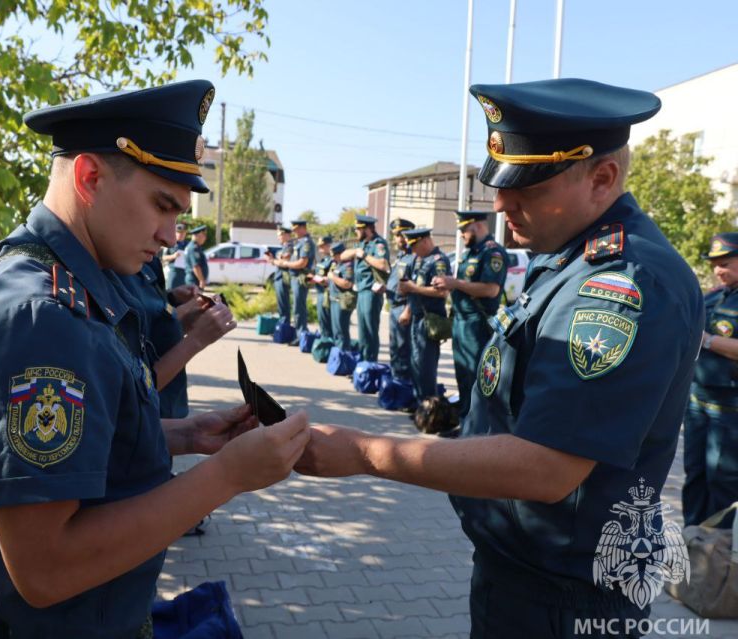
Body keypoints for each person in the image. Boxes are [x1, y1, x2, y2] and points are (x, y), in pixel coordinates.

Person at [297, 78, 703, 639]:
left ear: (602, 178)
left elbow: (548, 466)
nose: (502, 203)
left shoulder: (622, 281)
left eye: (528, 186)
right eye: (500, 183)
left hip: (562, 599)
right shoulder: (565, 259)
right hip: (524, 577)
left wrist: (365, 452)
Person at [0, 80, 310, 637]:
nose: (169, 235)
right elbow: (45, 568)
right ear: (90, 177)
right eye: (162, 205)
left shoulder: (79, 285)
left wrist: (186, 435)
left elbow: (88, 449)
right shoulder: (41, 319)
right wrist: (226, 476)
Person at [122, 255, 235, 419]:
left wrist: (175, 308)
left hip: (169, 409)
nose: (170, 240)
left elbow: (152, 332)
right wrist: (196, 339)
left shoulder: (147, 261)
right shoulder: (113, 269)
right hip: (145, 420)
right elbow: (133, 392)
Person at [683, 231, 738, 528]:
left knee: (724, 483)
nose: (718, 269)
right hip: (697, 400)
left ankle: (720, 552)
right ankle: (693, 540)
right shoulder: (714, 295)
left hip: (730, 410)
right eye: (715, 263)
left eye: (726, 262)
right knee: (695, 476)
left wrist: (707, 341)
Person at [432, 211, 508, 422]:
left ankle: (477, 426)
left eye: (464, 230)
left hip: (477, 323)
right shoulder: (471, 252)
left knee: (476, 378)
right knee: (463, 375)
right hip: (461, 321)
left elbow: (491, 290)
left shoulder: (493, 253)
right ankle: (465, 422)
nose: (462, 235)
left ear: (477, 226)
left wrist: (454, 283)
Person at [397, 227, 450, 404]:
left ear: (426, 241)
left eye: (415, 245)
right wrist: (408, 308)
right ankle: (420, 403)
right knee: (416, 364)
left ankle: (429, 407)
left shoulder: (438, 261)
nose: (412, 250)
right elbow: (413, 291)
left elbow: (442, 292)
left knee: (426, 366)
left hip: (430, 320)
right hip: (417, 317)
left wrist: (412, 288)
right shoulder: (419, 260)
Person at [341, 214, 390, 362]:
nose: (356, 232)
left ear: (367, 229)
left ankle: (370, 362)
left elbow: (383, 264)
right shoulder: (361, 244)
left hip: (371, 291)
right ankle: (363, 362)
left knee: (370, 329)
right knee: (362, 331)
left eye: (358, 229)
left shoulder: (378, 244)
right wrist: (356, 252)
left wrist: (365, 256)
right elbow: (343, 256)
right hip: (361, 290)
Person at [385, 218, 417, 380]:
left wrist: (408, 310)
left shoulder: (414, 258)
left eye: (401, 235)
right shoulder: (401, 257)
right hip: (394, 306)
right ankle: (396, 383)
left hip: (404, 308)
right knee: (395, 348)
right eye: (396, 235)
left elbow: (415, 288)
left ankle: (403, 387)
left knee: (404, 349)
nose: (398, 239)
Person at [281, 219, 315, 340]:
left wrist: (287, 264)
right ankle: (299, 334)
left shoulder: (306, 242)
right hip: (295, 277)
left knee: (299, 308)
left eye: (296, 230)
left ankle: (301, 335)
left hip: (300, 278)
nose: (295, 232)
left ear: (303, 228)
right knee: (296, 307)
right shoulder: (299, 242)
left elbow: (302, 263)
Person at [328, 241, 355, 352]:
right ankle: (338, 353)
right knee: (336, 330)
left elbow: (347, 283)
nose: (333, 258)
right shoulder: (337, 264)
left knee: (341, 330)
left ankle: (343, 354)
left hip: (342, 301)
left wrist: (332, 277)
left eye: (335, 256)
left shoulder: (348, 265)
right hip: (334, 299)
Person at [267, 225, 293, 327]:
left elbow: (284, 261)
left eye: (280, 235)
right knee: (281, 304)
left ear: (286, 235)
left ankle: (285, 327)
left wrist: (273, 261)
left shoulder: (289, 247)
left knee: (284, 304)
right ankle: (282, 325)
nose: (279, 237)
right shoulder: (284, 247)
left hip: (283, 277)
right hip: (279, 276)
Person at [311, 235, 334, 341]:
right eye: (319, 246)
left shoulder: (333, 261)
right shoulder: (323, 260)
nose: (320, 248)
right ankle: (324, 342)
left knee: (328, 322)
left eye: (322, 246)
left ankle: (328, 343)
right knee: (322, 321)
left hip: (327, 294)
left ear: (329, 246)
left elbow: (332, 278)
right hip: (320, 293)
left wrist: (324, 280)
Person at [161, 222, 189, 290]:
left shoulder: (188, 245)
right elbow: (163, 258)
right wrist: (173, 256)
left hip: (185, 273)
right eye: (178, 232)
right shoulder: (169, 243)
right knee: (170, 291)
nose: (180, 235)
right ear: (175, 233)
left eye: (182, 233)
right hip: (173, 272)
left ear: (185, 233)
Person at [184, 224, 209, 289]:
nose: (205, 238)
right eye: (204, 236)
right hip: (194, 280)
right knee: (194, 299)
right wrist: (201, 280)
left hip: (194, 280)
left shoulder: (194, 246)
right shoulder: (193, 248)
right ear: (198, 236)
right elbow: (196, 266)